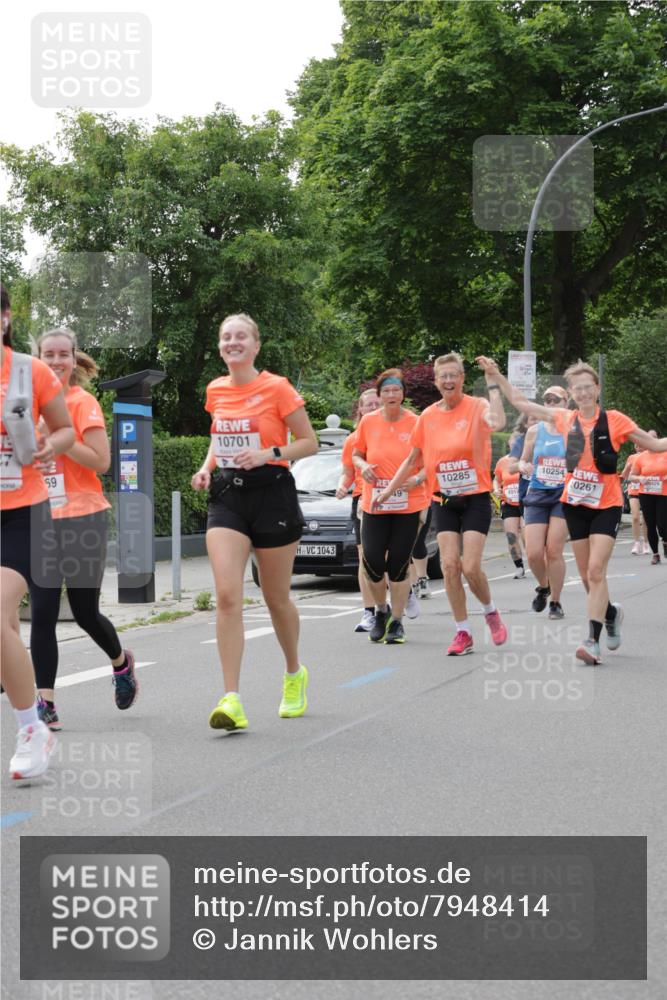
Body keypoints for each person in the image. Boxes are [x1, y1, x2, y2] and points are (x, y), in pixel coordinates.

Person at [479, 356, 667, 665]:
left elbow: (655, 445)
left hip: (606, 505)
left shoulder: (615, 420)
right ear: (571, 393)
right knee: (586, 577)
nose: (582, 393)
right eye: (577, 389)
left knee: (595, 570)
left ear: (597, 388)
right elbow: (522, 403)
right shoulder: (565, 419)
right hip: (575, 505)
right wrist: (496, 375)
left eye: (587, 387)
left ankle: (591, 642)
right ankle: (610, 613)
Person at [191, 313, 318, 731]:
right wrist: (206, 467)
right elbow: (219, 437)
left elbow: (310, 442)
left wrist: (269, 453)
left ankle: (294, 672)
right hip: (228, 496)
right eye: (226, 336)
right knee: (227, 595)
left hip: (272, 494)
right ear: (220, 346)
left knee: (275, 598)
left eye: (241, 336)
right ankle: (231, 698)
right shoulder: (216, 389)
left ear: (256, 345)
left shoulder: (277, 387)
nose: (233, 342)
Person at [29, 328, 136, 730]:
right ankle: (46, 703)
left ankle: (121, 664)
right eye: (49, 354)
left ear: (74, 360)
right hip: (39, 517)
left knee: (84, 612)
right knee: (42, 612)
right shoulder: (26, 406)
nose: (56, 361)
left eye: (63, 354)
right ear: (38, 358)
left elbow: (101, 462)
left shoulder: (82, 402)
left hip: (83, 517)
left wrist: (61, 438)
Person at [373, 353, 508, 656]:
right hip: (443, 500)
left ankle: (490, 612)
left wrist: (493, 384)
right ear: (436, 381)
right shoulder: (428, 417)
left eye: (453, 375)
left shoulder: (477, 406)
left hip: (475, 498)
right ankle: (463, 632)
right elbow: (412, 458)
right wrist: (388, 490)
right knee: (449, 566)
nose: (448, 381)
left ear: (461, 378)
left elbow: (499, 422)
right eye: (443, 376)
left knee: (470, 567)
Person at [1, 284, 74, 779]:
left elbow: (64, 429)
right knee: (3, 627)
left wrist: (51, 446)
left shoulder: (31, 371)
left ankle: (32, 728)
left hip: (22, 512)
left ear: (5, 317)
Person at [353, 369, 430, 644]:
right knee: (372, 560)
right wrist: (363, 466)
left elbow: (431, 461)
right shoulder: (368, 422)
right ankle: (381, 610)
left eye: (396, 390)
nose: (391, 394)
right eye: (386, 390)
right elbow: (356, 454)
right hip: (375, 504)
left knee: (398, 562)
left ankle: (397, 622)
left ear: (403, 394)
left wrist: (417, 479)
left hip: (408, 504)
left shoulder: (416, 423)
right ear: (380, 395)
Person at [509, 385, 570, 619]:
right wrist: (523, 465)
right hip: (537, 494)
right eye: (548, 400)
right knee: (534, 553)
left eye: (557, 400)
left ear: (566, 404)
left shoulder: (574, 431)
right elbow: (519, 462)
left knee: (553, 550)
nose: (551, 404)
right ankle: (544, 587)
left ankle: (556, 602)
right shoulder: (534, 431)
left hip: (562, 496)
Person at [336, 387, 383, 632]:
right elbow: (347, 473)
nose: (373, 408)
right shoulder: (352, 440)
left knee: (391, 558)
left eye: (377, 404)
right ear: (361, 409)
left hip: (391, 500)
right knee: (365, 558)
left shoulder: (395, 433)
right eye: (369, 405)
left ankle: (401, 595)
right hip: (363, 501)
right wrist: (342, 486)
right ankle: (369, 612)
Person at [629, 432, 667, 565]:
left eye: (654, 438)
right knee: (650, 524)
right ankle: (655, 554)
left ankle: (665, 541)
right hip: (646, 494)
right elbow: (631, 476)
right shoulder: (641, 457)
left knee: (663, 523)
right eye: (649, 438)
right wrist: (640, 478)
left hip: (663, 494)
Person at [493, 443, 525, 579]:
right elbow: (496, 479)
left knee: (527, 535)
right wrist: (496, 490)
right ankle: (519, 566)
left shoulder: (529, 459)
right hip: (509, 503)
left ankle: (537, 561)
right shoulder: (502, 461)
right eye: (514, 441)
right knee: (511, 536)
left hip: (526, 502)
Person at [621, 445, 651, 555]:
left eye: (640, 444)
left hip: (646, 490)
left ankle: (646, 543)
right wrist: (627, 468)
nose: (638, 446)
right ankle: (636, 543)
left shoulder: (649, 457)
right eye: (636, 444)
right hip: (633, 490)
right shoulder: (631, 457)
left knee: (646, 519)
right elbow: (625, 476)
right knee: (635, 517)